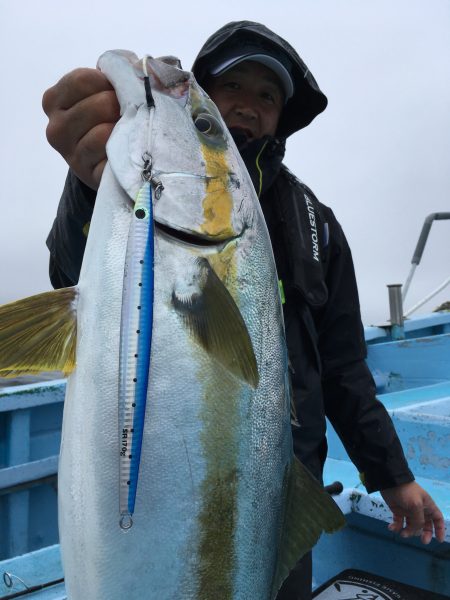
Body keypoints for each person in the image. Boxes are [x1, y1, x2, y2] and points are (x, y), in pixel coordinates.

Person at [42, 20, 445, 600]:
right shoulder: (128, 194)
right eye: (230, 89)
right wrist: (89, 184)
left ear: (283, 115)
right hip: (156, 497)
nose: (248, 107)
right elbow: (72, 273)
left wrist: (393, 476)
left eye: (267, 96)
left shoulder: (318, 226)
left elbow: (344, 369)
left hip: (279, 497)